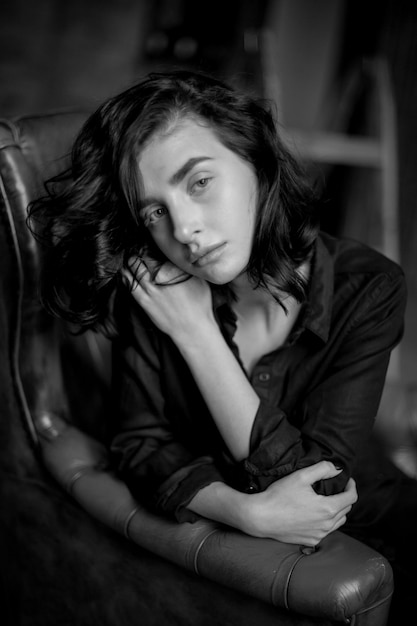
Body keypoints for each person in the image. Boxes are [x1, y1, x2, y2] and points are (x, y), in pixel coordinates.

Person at [29, 69, 413, 620]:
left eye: (199, 182)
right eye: (154, 211)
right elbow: (139, 444)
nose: (183, 229)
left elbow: (320, 491)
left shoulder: (370, 287)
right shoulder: (155, 287)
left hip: (374, 531)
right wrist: (243, 512)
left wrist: (197, 335)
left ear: (256, 162)